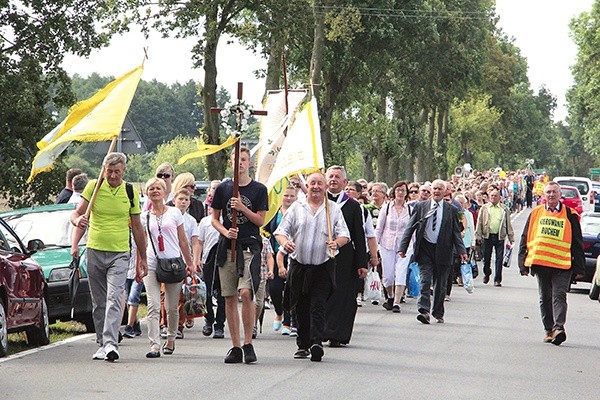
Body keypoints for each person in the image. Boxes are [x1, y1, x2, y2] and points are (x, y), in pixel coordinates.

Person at [70, 152, 147, 362]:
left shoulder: (129, 191)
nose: (113, 176)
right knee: (99, 302)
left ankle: (112, 344)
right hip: (95, 249)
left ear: (123, 171)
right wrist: (77, 227)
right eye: (109, 171)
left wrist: (143, 258)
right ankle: (102, 343)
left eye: (117, 172)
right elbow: (76, 214)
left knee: (114, 297)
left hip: (120, 253)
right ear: (104, 170)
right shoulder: (93, 187)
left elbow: (138, 227)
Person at [274, 172, 350, 362]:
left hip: (323, 266)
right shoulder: (296, 208)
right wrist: (285, 244)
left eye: (320, 183)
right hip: (299, 266)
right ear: (306, 186)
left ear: (325, 187)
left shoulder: (332, 209)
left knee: (318, 305)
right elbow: (281, 231)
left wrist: (337, 243)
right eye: (312, 183)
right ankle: (303, 344)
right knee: (300, 306)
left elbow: (344, 235)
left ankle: (316, 342)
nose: (316, 187)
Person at [211, 147, 268, 364]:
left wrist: (243, 208)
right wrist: (226, 232)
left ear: (249, 163)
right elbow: (215, 218)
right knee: (229, 296)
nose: (240, 164)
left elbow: (260, 220)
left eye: (244, 160)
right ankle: (235, 346)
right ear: (231, 164)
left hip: (249, 248)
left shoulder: (258, 189)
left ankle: (248, 342)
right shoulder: (224, 189)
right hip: (227, 247)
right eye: (237, 160)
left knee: (246, 292)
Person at [518, 181, 585, 345]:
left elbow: (577, 241)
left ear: (560, 195)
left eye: (554, 192)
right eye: (548, 192)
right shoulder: (536, 213)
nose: (551, 195)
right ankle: (549, 329)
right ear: (544, 195)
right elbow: (526, 237)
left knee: (559, 296)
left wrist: (579, 267)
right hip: (541, 264)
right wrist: (523, 262)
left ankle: (559, 328)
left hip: (563, 264)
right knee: (545, 298)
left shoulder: (570, 214)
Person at [398, 179, 467, 324]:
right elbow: (410, 228)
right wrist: (402, 248)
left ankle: (438, 312)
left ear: (445, 192)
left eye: (439, 189)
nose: (436, 192)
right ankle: (423, 310)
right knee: (425, 280)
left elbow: (456, 232)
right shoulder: (421, 207)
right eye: (434, 189)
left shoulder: (452, 210)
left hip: (443, 250)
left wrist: (461, 251)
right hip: (425, 249)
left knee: (440, 284)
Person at [139, 179, 194, 358]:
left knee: (171, 307)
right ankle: (154, 344)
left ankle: (170, 338)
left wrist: (190, 263)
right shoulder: (144, 216)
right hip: (152, 263)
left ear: (164, 192)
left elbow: (183, 240)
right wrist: (139, 263)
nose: (155, 191)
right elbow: (141, 242)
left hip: (173, 263)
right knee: (153, 305)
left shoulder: (174, 213)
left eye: (158, 188)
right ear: (148, 194)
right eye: (151, 189)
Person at [324, 166, 367, 347]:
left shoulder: (353, 206)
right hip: (321, 255)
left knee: (343, 296)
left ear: (345, 183)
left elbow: (359, 235)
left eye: (337, 177)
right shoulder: (318, 202)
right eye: (330, 176)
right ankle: (320, 330)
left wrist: (362, 263)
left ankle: (338, 334)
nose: (333, 180)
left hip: (345, 258)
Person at [195, 179, 226, 339]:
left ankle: (220, 324)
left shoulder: (227, 220)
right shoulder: (206, 222)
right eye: (214, 189)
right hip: (208, 260)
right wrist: (197, 259)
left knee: (222, 294)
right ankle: (209, 320)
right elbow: (199, 242)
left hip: (224, 261)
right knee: (206, 292)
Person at [264, 184, 298, 334]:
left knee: (292, 288)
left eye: (292, 195)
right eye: (286, 195)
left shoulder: (299, 212)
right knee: (275, 288)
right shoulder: (273, 213)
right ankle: (279, 311)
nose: (289, 198)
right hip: (275, 254)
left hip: (294, 255)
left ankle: (288, 321)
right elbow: (265, 231)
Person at [375, 181, 413, 312]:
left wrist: (413, 246)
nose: (401, 193)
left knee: (401, 272)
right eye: (398, 190)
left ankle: (397, 302)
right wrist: (375, 247)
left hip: (404, 247)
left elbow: (412, 229)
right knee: (389, 275)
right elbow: (379, 228)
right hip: (387, 245)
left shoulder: (410, 210)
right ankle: (390, 296)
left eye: (403, 190)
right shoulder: (386, 208)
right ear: (394, 192)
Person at [475, 188, 515, 286]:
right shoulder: (484, 208)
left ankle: (497, 279)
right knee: (486, 258)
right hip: (487, 236)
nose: (493, 197)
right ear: (489, 197)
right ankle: (487, 273)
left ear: (499, 198)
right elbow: (479, 222)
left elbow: (508, 224)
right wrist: (478, 236)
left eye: (495, 196)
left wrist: (511, 238)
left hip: (499, 236)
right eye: (492, 195)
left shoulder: (504, 208)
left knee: (499, 258)